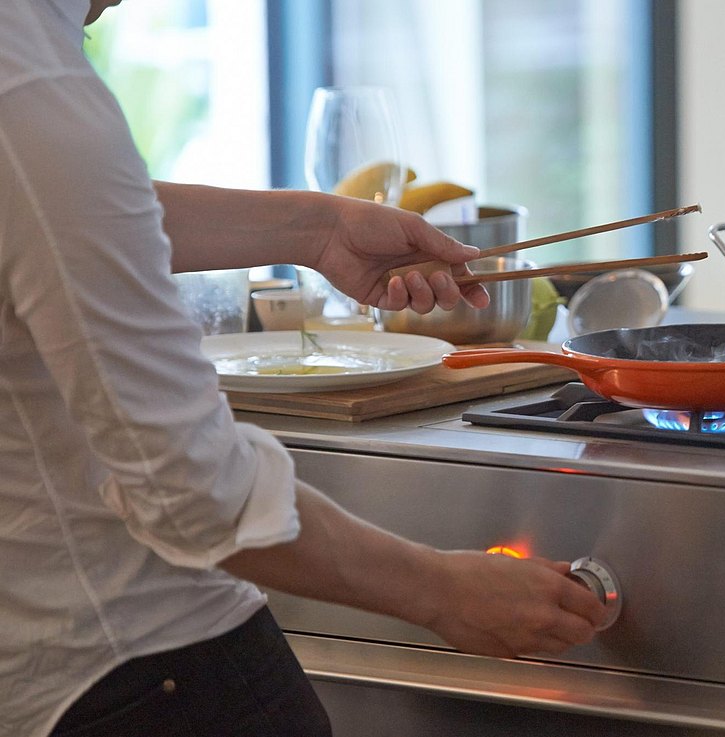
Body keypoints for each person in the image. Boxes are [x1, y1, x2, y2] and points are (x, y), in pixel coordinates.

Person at [0, 1, 607, 735]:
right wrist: (447, 589)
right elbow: (190, 487)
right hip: (136, 667)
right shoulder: (31, 85)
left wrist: (317, 230)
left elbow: (57, 208)